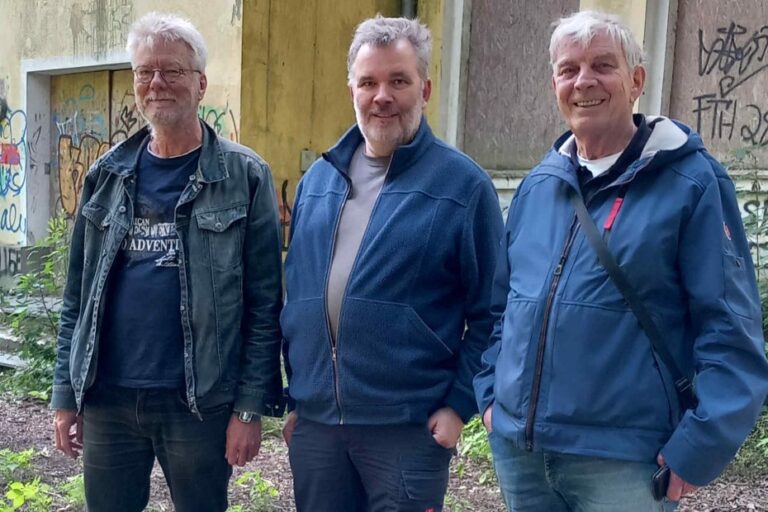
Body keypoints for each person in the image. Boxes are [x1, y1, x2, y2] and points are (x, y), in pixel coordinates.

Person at [474, 10, 768, 512]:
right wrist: (489, 397)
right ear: (554, 85)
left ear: (636, 81)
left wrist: (699, 447)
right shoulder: (538, 187)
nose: (583, 81)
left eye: (602, 65)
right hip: (522, 455)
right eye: (568, 70)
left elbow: (729, 327)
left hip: (625, 462)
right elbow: (503, 308)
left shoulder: (691, 184)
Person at [50, 12, 284, 512]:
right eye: (145, 71)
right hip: (109, 398)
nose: (157, 82)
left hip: (198, 403)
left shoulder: (245, 176)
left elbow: (265, 304)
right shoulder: (105, 175)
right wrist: (66, 394)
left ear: (200, 84)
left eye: (172, 70)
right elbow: (78, 296)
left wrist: (249, 407)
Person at [280, 15, 504, 512]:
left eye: (398, 81)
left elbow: (494, 313)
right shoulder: (319, 180)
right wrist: (301, 399)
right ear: (352, 91)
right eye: (368, 83)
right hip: (319, 429)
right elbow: (298, 296)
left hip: (407, 430)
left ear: (425, 89)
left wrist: (458, 405)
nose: (382, 96)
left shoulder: (463, 187)